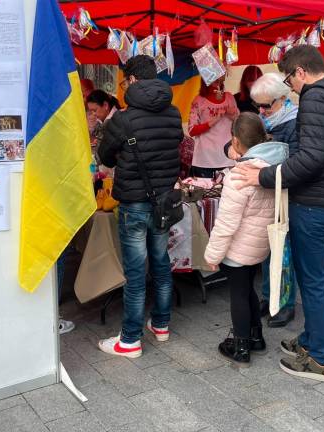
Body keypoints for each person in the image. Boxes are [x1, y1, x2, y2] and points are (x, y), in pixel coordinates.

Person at [232, 45, 324, 382]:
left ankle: (321, 359)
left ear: (300, 72)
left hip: (315, 206)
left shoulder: (315, 98)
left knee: (312, 283)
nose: (291, 89)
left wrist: (263, 176)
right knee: (320, 279)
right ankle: (311, 340)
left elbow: (311, 159)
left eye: (290, 80)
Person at [97, 55, 183, 358]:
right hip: (162, 203)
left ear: (132, 80)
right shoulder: (173, 113)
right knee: (161, 264)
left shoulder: (123, 118)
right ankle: (161, 324)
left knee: (135, 273)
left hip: (134, 203)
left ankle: (130, 340)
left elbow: (106, 158)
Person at [205, 112, 290, 365]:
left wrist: (212, 255)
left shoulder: (240, 176)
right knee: (248, 290)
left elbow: (226, 224)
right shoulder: (272, 169)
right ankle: (256, 336)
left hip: (239, 248)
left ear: (236, 142)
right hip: (259, 245)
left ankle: (241, 346)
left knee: (238, 295)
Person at [242, 72, 300, 327]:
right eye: (259, 106)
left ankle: (285, 303)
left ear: (283, 98)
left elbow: (296, 165)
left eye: (267, 105)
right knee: (269, 252)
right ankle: (269, 297)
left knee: (284, 254)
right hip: (269, 194)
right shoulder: (272, 122)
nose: (263, 111)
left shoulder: (296, 123)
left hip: (288, 197)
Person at [188, 77, 239, 178]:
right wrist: (212, 122)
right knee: (205, 192)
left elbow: (239, 123)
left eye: (219, 77)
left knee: (228, 192)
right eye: (213, 77)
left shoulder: (229, 97)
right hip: (204, 159)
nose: (217, 79)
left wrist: (230, 113)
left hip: (227, 157)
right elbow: (192, 130)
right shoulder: (198, 100)